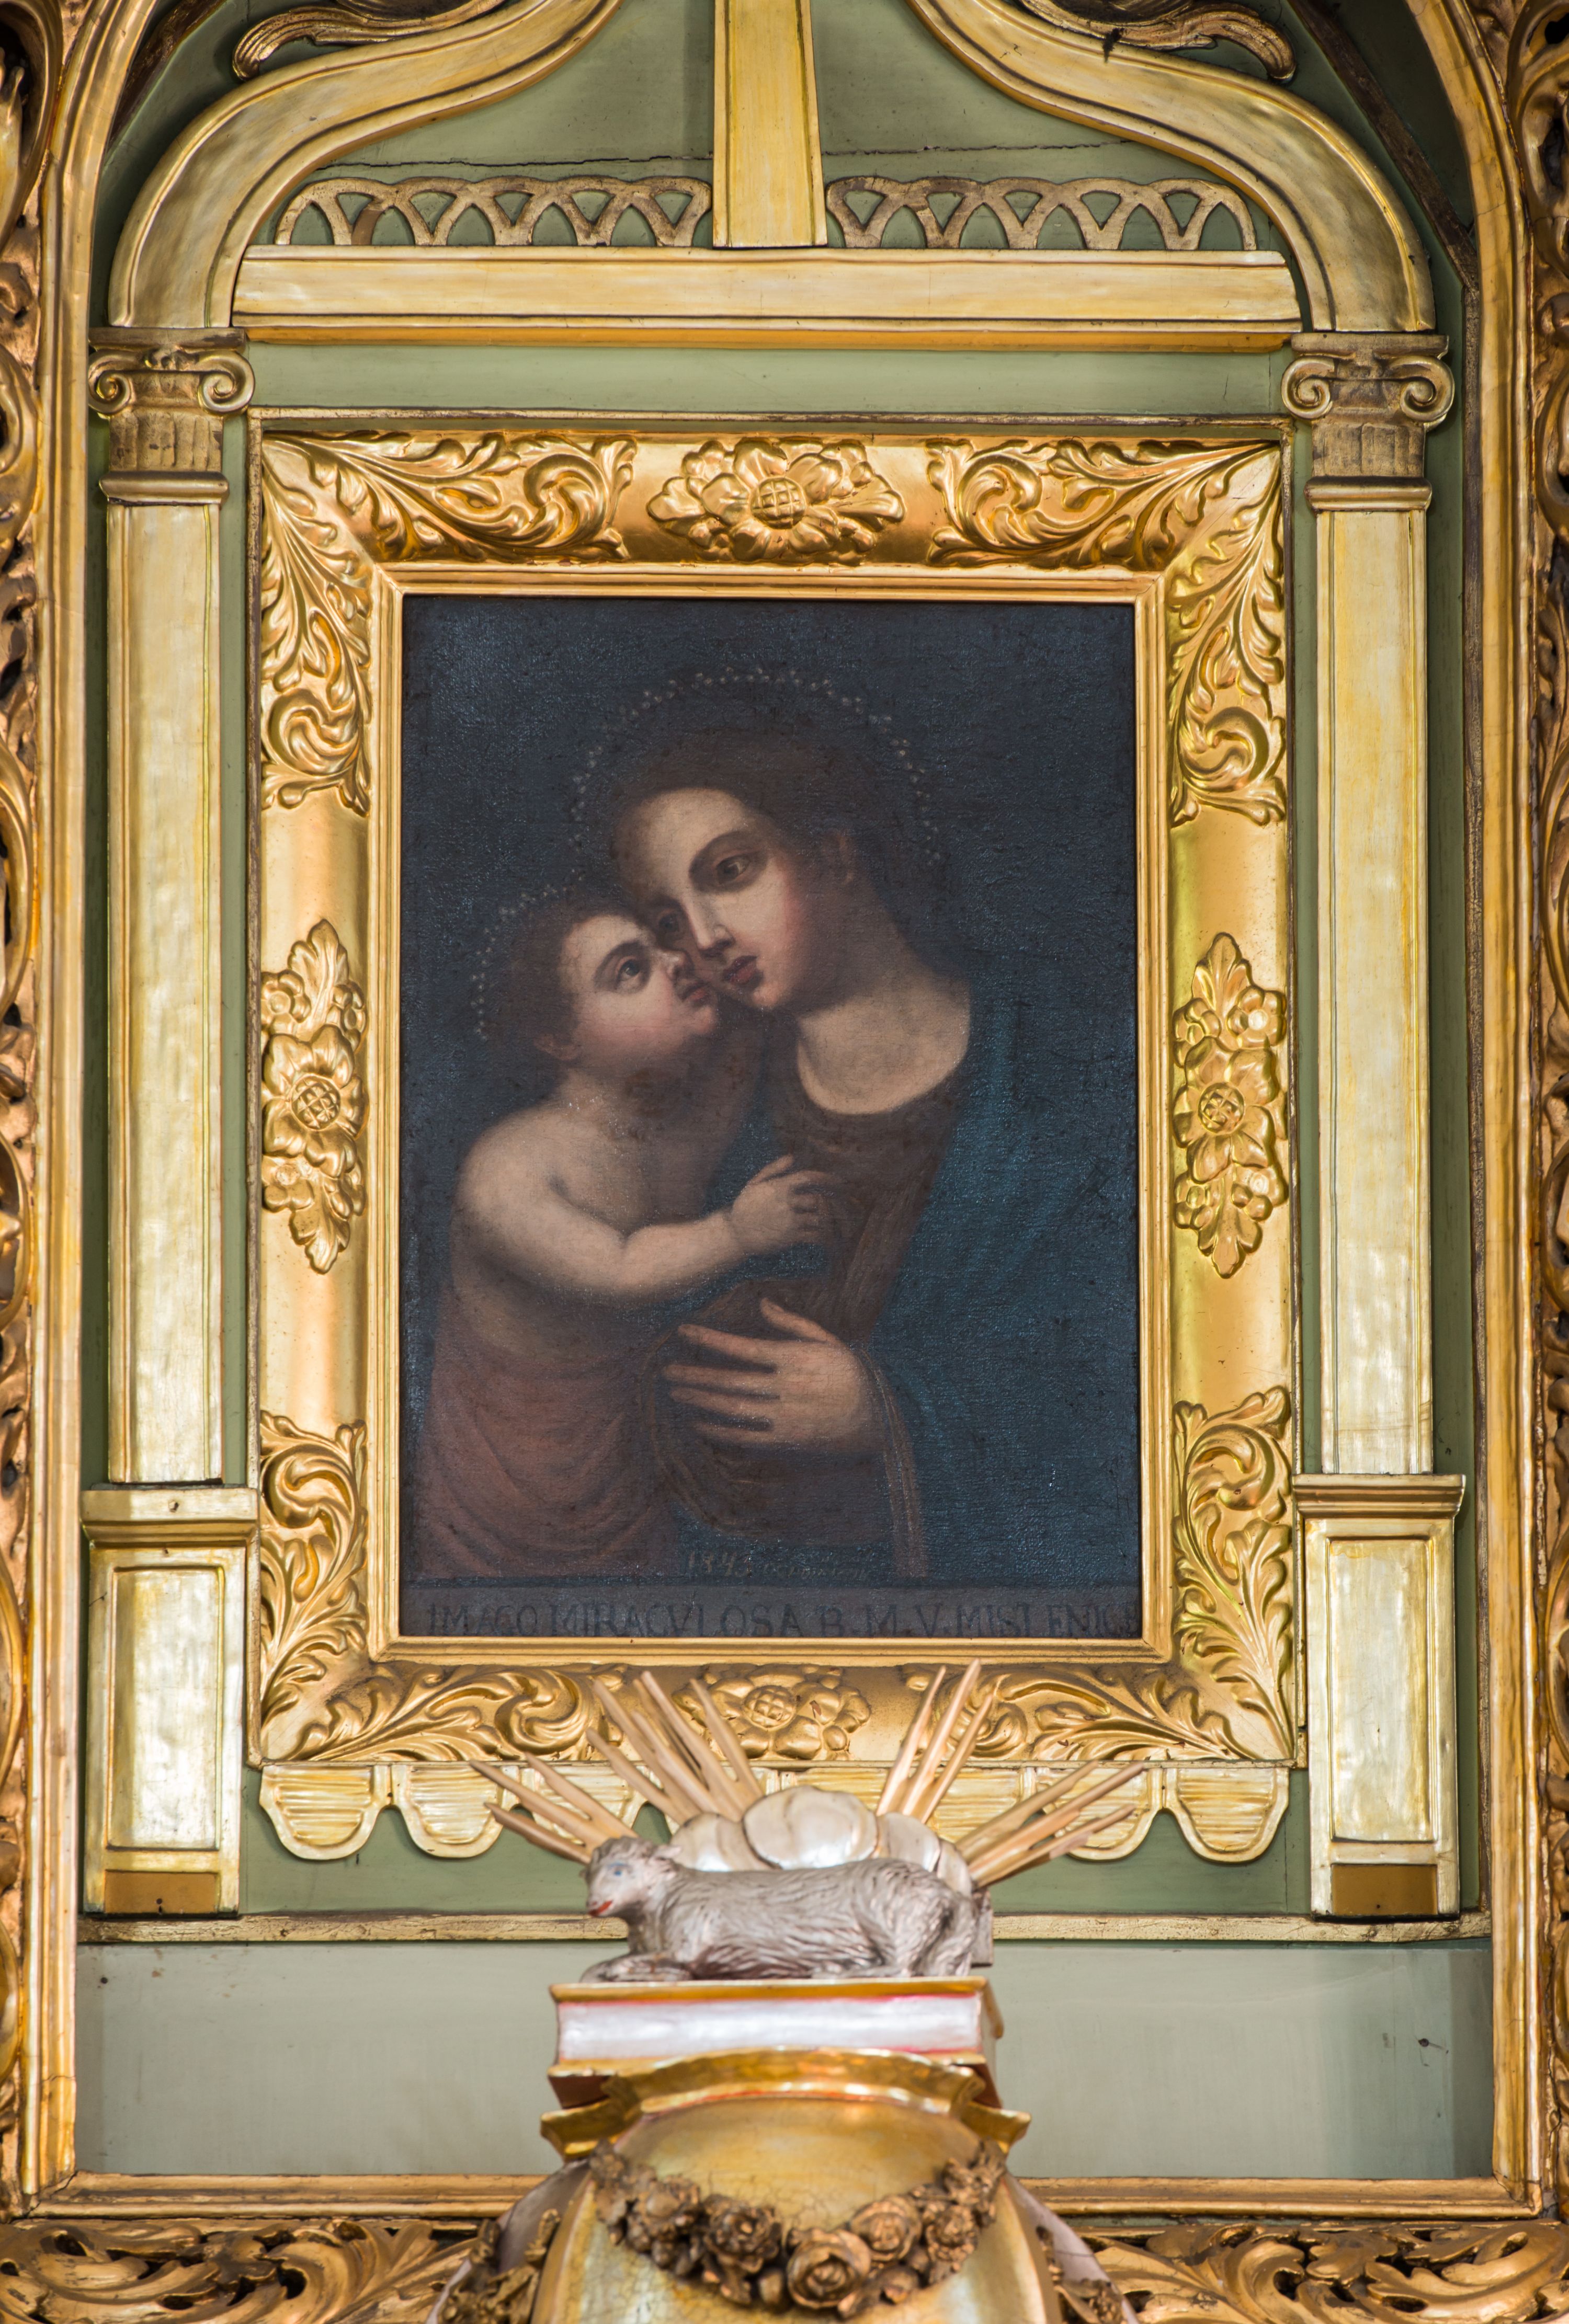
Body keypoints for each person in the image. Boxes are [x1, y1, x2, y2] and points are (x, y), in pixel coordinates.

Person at [605, 718, 1139, 1591]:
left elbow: (1119, 1386)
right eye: (668, 919)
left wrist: (885, 1410)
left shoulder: (1056, 1068)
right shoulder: (714, 1109)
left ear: (834, 854)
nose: (703, 936)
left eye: (730, 873)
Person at [412, 886, 826, 1579]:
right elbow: (623, 1268)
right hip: (514, 1487)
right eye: (630, 971)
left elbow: (741, 1051)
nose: (675, 962)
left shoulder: (672, 1128)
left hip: (628, 1459)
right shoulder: (512, 1167)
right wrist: (737, 1231)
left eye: (661, 948)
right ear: (560, 1040)